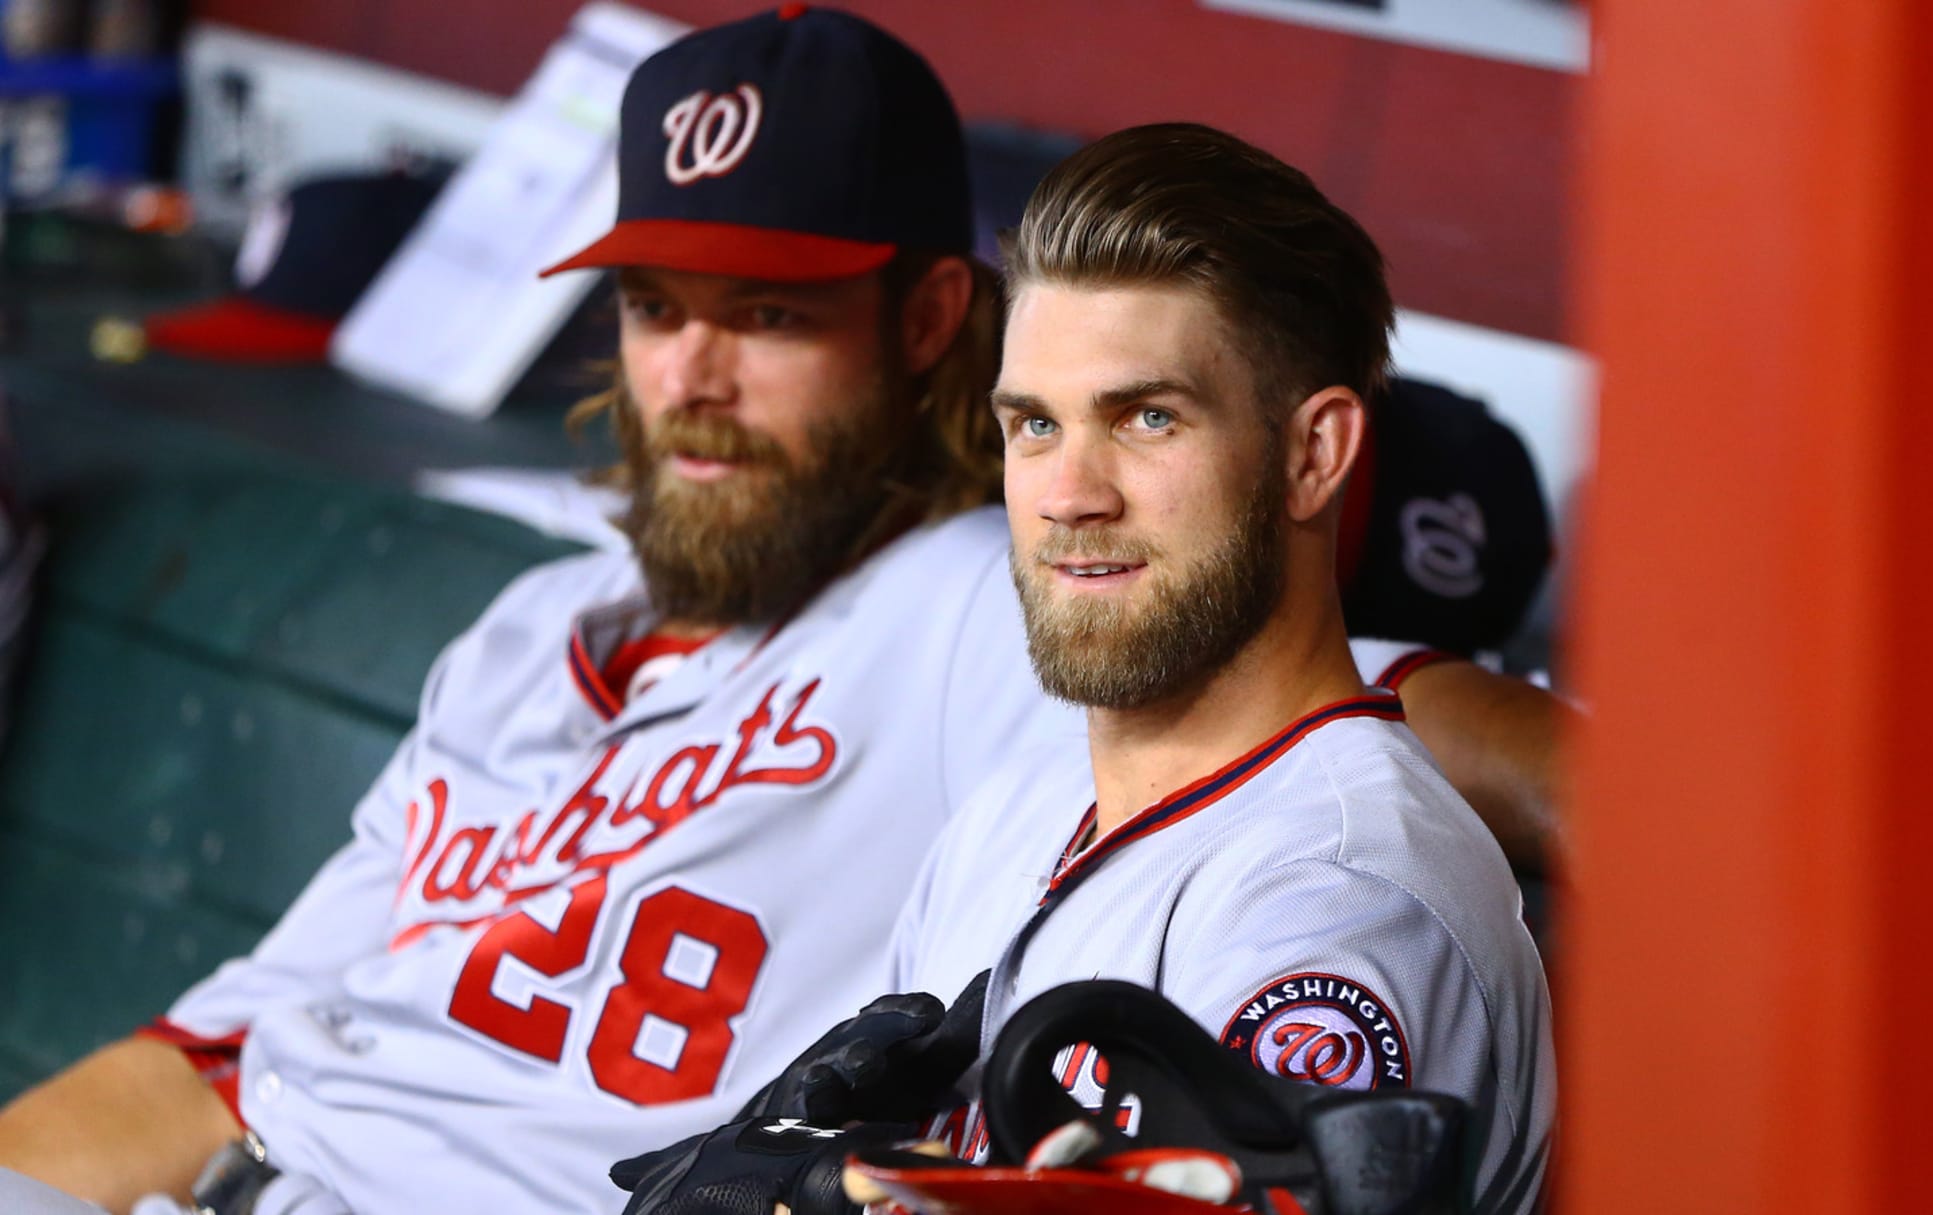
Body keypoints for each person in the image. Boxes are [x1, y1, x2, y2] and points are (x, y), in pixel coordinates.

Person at [0, 10, 1559, 1215]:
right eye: (656, 307)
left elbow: (1308, 711)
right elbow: (231, 1052)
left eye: (769, 313)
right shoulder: (533, 634)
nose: (693, 372)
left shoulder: (978, 613)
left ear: (926, 321)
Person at [611, 121, 1554, 1215]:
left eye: (1148, 418)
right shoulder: (1022, 807)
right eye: (1035, 426)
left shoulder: (1339, 903)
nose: (1069, 494)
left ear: (1313, 454)